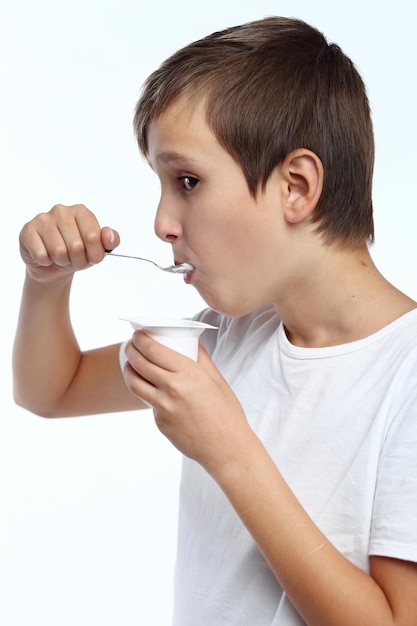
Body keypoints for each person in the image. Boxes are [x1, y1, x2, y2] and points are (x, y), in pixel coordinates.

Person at [13, 16, 417, 626]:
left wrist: (230, 451)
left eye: (188, 181)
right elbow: (52, 390)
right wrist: (46, 283)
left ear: (296, 187)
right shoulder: (228, 337)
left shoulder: (406, 376)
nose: (162, 223)